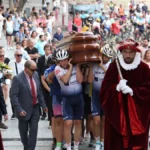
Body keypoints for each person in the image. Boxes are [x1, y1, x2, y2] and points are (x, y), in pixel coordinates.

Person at [100, 39, 150, 150]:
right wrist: (116, 88)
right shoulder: (114, 67)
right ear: (121, 52)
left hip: (138, 117)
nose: (127, 55)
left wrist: (134, 91)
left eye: (130, 52)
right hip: (117, 116)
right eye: (125, 52)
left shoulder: (144, 68)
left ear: (135, 53)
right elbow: (104, 91)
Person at [10, 60, 48, 150]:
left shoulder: (35, 75)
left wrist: (43, 105)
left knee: (33, 131)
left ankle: (30, 148)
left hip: (35, 108)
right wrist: (19, 109)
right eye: (32, 69)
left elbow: (39, 92)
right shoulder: (17, 78)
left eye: (36, 69)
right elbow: (13, 96)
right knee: (23, 133)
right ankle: (27, 147)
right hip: (23, 109)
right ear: (26, 69)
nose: (34, 71)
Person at [54, 49, 84, 150]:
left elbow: (80, 80)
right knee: (68, 123)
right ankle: (68, 147)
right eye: (61, 60)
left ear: (68, 59)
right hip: (66, 98)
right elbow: (65, 79)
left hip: (78, 98)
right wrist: (71, 68)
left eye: (65, 60)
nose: (63, 62)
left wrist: (78, 66)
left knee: (78, 123)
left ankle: (76, 146)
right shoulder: (57, 69)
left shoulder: (75, 66)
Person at [88, 44, 112, 150]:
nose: (105, 58)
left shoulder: (111, 65)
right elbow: (89, 80)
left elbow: (111, 76)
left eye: (107, 57)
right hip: (96, 95)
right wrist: (91, 66)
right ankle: (97, 141)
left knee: (104, 120)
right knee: (96, 120)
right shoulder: (95, 65)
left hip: (107, 95)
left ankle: (103, 141)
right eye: (104, 56)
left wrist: (102, 66)